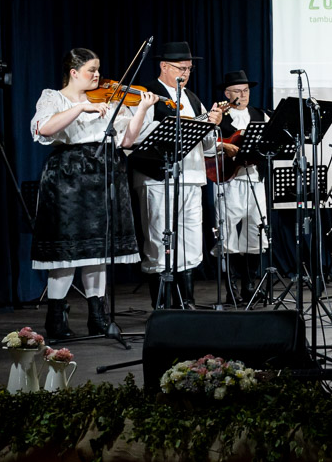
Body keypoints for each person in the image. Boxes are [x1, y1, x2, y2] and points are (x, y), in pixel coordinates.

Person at [31, 48, 158, 339]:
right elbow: (44, 129)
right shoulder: (53, 98)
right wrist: (80, 108)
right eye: (91, 69)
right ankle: (56, 319)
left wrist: (140, 110)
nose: (97, 75)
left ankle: (97, 316)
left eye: (98, 69)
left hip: (105, 173)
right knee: (67, 251)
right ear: (74, 72)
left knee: (98, 250)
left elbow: (127, 141)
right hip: (69, 175)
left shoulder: (108, 100)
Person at [129, 42, 226, 308]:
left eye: (189, 69)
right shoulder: (147, 94)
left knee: (190, 240)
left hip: (191, 177)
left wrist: (212, 125)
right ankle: (162, 306)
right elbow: (135, 135)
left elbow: (208, 148)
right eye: (181, 68)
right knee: (159, 239)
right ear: (164, 66)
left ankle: (187, 302)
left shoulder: (193, 98)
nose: (186, 73)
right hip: (157, 178)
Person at [215, 69, 269, 304]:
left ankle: (249, 286)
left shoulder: (261, 115)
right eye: (237, 91)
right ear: (227, 94)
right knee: (227, 233)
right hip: (230, 180)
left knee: (256, 231)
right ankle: (231, 288)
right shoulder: (220, 116)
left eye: (246, 90)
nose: (243, 95)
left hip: (255, 180)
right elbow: (210, 144)